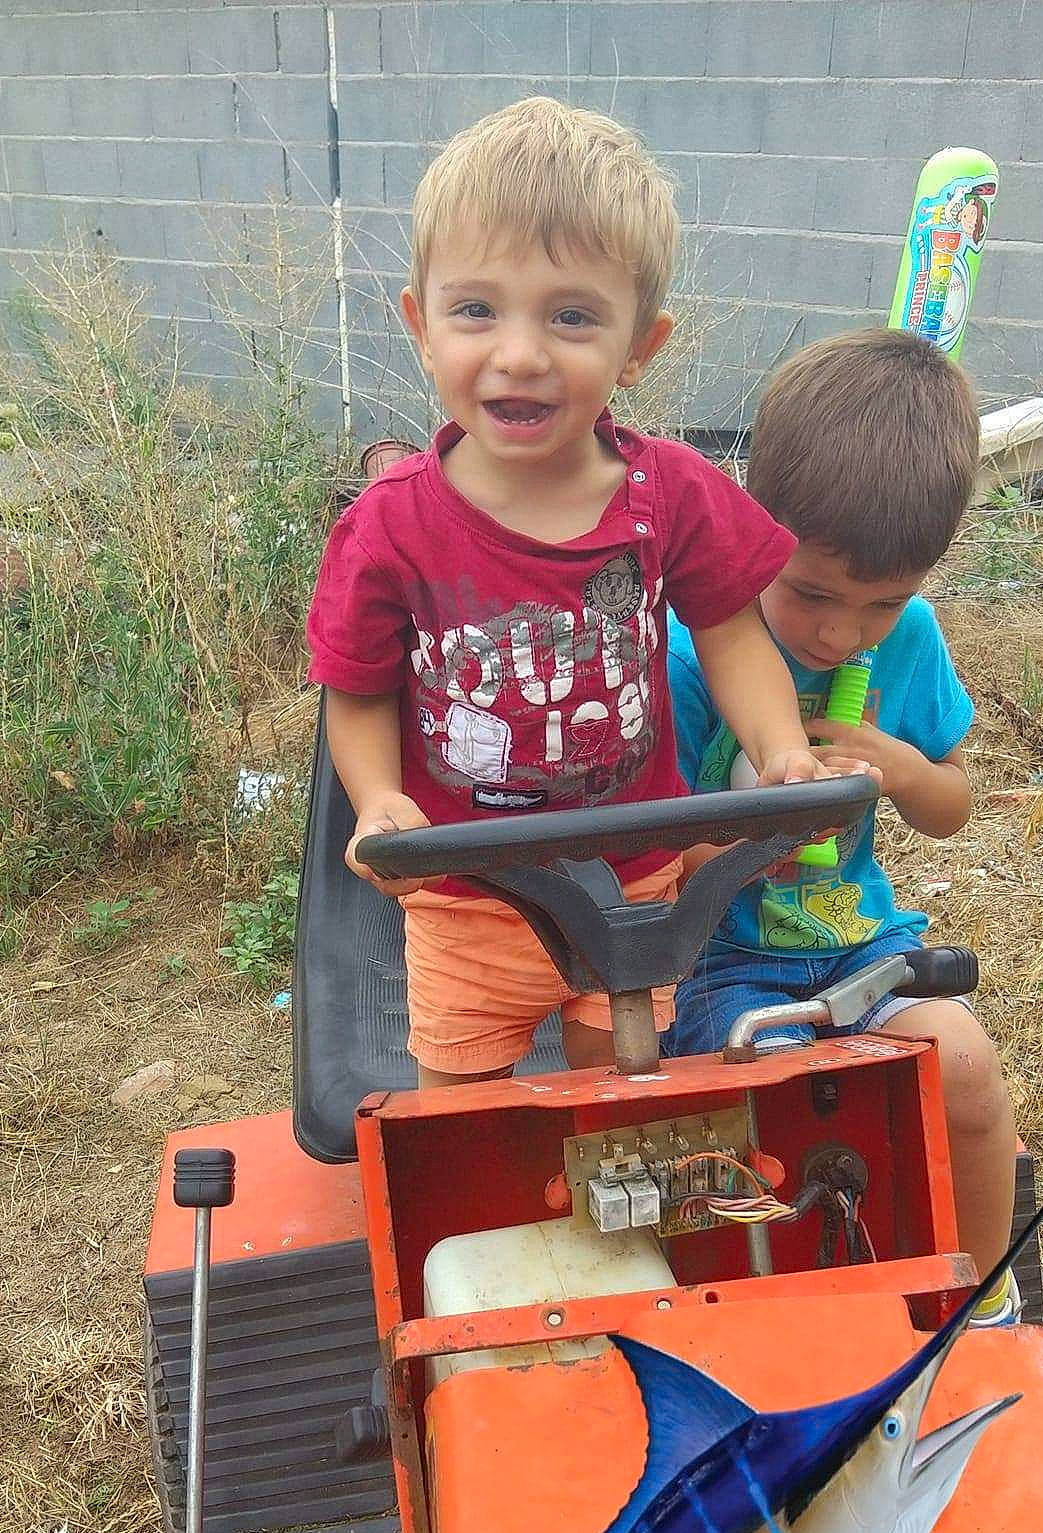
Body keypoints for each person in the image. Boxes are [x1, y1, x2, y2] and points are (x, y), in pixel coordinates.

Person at [305, 96, 863, 1088]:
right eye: (476, 308)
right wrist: (380, 797)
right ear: (419, 326)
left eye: (570, 316)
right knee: (464, 1113)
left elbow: (732, 632)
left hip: (634, 872)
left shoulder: (670, 495)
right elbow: (354, 686)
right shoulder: (391, 523)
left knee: (624, 1098)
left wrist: (781, 753)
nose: (519, 352)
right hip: (471, 889)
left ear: (638, 348)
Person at [665, 328, 1020, 1322]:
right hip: (718, 964)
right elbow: (645, 857)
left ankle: (982, 1307)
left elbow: (950, 809)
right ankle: (770, 1323)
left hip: (856, 947)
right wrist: (751, 840)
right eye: (812, 593)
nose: (839, 632)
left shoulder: (906, 639)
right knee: (767, 1128)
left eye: (880, 602)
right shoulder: (698, 647)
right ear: (751, 524)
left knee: (968, 1071)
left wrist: (896, 765)